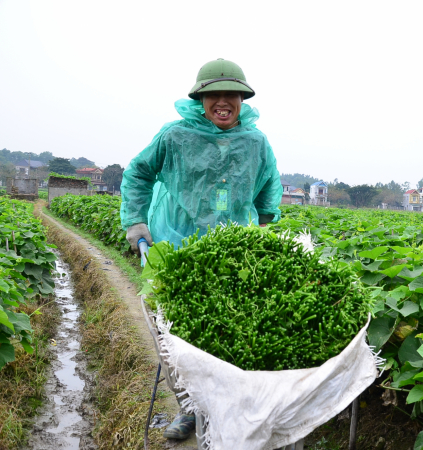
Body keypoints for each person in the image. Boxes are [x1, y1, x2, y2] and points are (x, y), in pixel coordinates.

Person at [120, 59, 283, 440]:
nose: (223, 101)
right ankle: (189, 409)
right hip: (174, 248)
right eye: (214, 94)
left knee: (226, 329)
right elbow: (139, 173)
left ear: (242, 99)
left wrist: (263, 226)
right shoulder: (175, 136)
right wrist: (136, 223)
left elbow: (269, 185)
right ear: (201, 98)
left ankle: (227, 407)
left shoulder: (256, 142)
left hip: (232, 253)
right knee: (172, 336)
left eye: (232, 94)